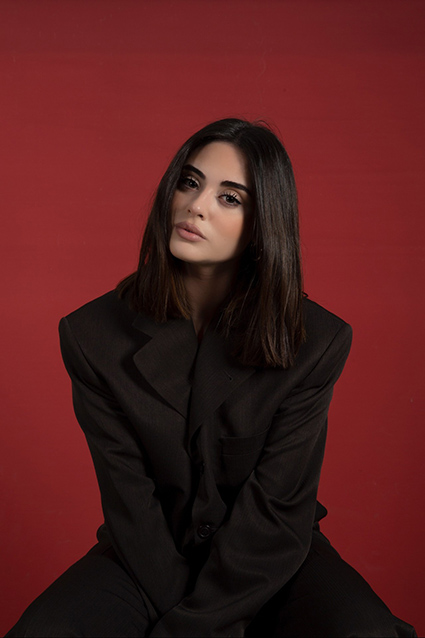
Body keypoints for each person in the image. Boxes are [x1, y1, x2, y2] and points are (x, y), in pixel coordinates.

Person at [6, 118, 416, 637]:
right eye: (189, 182)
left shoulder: (317, 340)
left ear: (263, 225)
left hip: (270, 556)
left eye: (230, 198)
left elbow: (276, 511)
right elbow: (130, 505)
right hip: (148, 554)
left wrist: (196, 627)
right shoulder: (91, 335)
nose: (196, 206)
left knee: (362, 630)